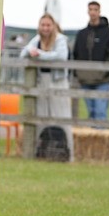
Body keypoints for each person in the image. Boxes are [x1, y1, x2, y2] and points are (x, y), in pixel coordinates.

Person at [20, 13, 72, 160]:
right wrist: (31, 52)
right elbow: (24, 53)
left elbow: (61, 56)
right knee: (40, 115)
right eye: (43, 25)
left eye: (48, 25)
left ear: (53, 26)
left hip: (58, 81)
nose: (45, 28)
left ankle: (66, 153)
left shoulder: (61, 39)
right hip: (41, 80)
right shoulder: (36, 39)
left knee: (61, 115)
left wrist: (39, 54)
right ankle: (41, 151)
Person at [72, 1, 109, 120]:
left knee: (100, 112)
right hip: (85, 79)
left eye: (95, 10)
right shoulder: (82, 34)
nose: (93, 12)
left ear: (99, 12)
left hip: (102, 80)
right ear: (87, 11)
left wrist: (106, 70)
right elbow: (75, 54)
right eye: (91, 9)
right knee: (92, 112)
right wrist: (77, 73)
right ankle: (93, 136)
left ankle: (102, 136)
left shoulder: (108, 34)